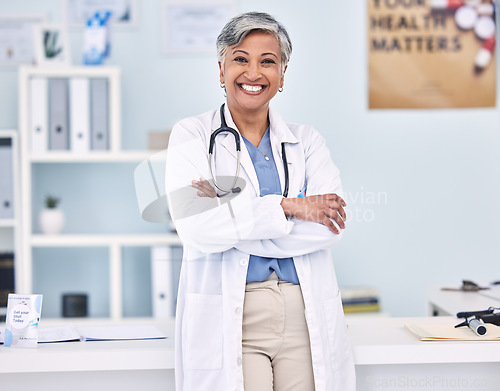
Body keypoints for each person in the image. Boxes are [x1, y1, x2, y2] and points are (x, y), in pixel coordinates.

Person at [165, 11, 355, 391]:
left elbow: (328, 229)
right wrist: (290, 207)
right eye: (240, 59)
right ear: (221, 70)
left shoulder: (307, 141)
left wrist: (236, 224)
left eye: (268, 61)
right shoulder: (192, 136)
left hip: (303, 310)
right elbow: (197, 228)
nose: (253, 73)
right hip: (233, 312)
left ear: (282, 75)